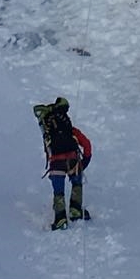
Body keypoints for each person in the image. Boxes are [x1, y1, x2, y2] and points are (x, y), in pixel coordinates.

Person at [32, 97, 92, 230]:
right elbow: (87, 144)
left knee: (58, 192)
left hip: (56, 163)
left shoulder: (49, 132)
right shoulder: (71, 130)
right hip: (73, 160)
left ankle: (60, 218)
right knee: (76, 183)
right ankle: (75, 210)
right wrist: (85, 160)